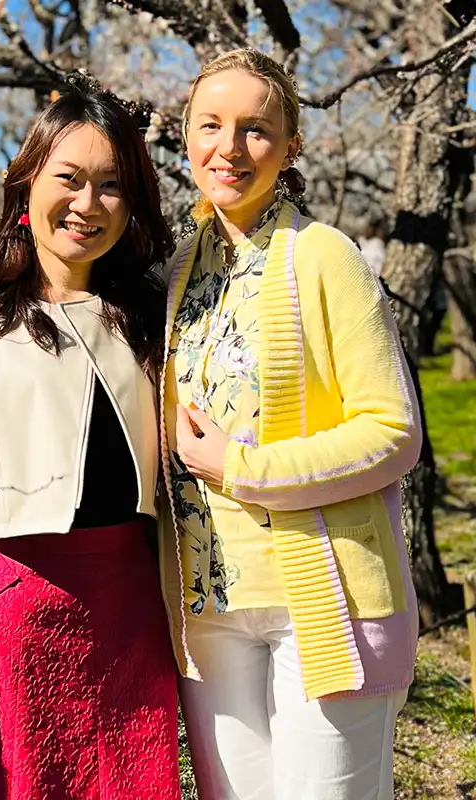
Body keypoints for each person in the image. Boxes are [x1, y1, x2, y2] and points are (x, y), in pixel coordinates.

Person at [0, 83, 182, 799]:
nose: (88, 204)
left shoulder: (153, 314)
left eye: (113, 186)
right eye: (70, 178)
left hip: (129, 615)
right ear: (28, 181)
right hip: (11, 615)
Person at [157, 49, 422, 800]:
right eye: (210, 125)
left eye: (255, 130)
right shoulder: (184, 270)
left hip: (324, 604)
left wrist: (242, 470)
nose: (229, 149)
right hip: (210, 605)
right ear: (186, 135)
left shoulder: (325, 256)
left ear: (291, 146)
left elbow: (392, 433)